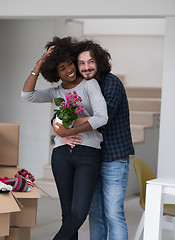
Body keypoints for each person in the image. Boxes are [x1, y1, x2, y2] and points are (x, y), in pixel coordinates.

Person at [21, 36, 108, 240]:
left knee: (79, 213)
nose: (69, 69)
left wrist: (67, 132)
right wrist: (39, 63)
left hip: (88, 154)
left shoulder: (90, 85)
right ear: (54, 73)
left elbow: (102, 117)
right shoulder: (55, 92)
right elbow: (27, 95)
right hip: (61, 155)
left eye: (70, 63)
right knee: (67, 214)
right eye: (62, 68)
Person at [52, 39, 135, 240]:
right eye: (81, 63)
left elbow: (103, 118)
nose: (86, 67)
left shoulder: (111, 82)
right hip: (91, 156)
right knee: (95, 213)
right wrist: (58, 120)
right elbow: (61, 112)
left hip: (114, 157)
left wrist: (63, 122)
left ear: (99, 61)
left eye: (90, 62)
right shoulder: (81, 85)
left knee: (113, 214)